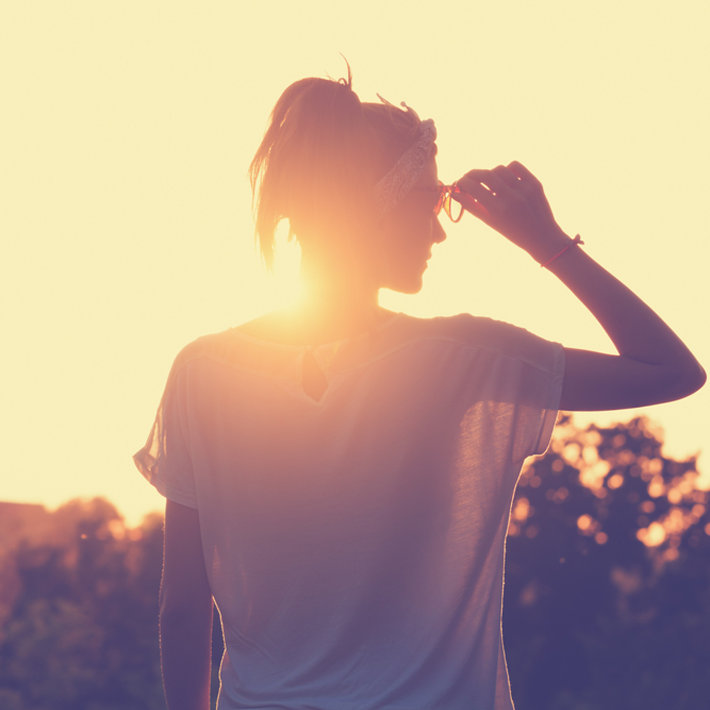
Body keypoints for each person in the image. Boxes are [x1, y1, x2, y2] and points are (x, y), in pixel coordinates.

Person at [133, 68, 705, 710]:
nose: (439, 232)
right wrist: (547, 243)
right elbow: (671, 370)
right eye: (426, 204)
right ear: (371, 212)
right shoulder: (466, 358)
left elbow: (183, 609)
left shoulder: (204, 373)